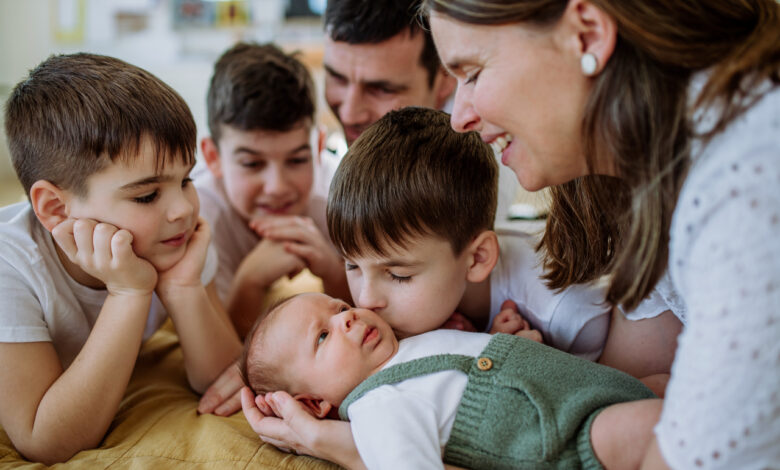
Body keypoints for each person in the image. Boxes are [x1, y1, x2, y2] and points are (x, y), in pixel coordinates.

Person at [422, 0, 780, 468]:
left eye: (471, 74)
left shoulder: (748, 183)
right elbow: (608, 407)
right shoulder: (656, 176)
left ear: (587, 34)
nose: (458, 117)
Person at [240, 107, 676, 465]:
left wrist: (539, 354)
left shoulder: (570, 312)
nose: (365, 302)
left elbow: (591, 390)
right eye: (352, 266)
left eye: (398, 275)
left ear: (477, 259)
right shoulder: (400, 325)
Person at [0, 53, 242, 464]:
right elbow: (44, 440)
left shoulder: (173, 234)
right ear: (56, 209)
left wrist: (183, 288)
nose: (182, 207)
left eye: (186, 180)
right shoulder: (12, 267)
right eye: (146, 195)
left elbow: (222, 378)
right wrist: (129, 292)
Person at [241, 292, 662, 470]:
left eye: (340, 307)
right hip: (572, 437)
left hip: (594, 390)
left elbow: (456, 369)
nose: (346, 317)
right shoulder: (377, 407)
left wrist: (493, 337)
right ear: (313, 403)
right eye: (322, 335)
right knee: (665, 426)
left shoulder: (406, 344)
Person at [194, 42, 349, 340]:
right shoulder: (199, 217)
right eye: (252, 163)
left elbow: (368, 313)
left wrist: (333, 270)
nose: (277, 187)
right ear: (213, 158)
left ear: (318, 148)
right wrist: (249, 282)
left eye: (297, 160)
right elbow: (224, 351)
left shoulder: (337, 196)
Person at [315, 0, 520, 223]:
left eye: (382, 89)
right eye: (337, 78)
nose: (349, 114)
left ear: (446, 77)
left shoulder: (485, 157)